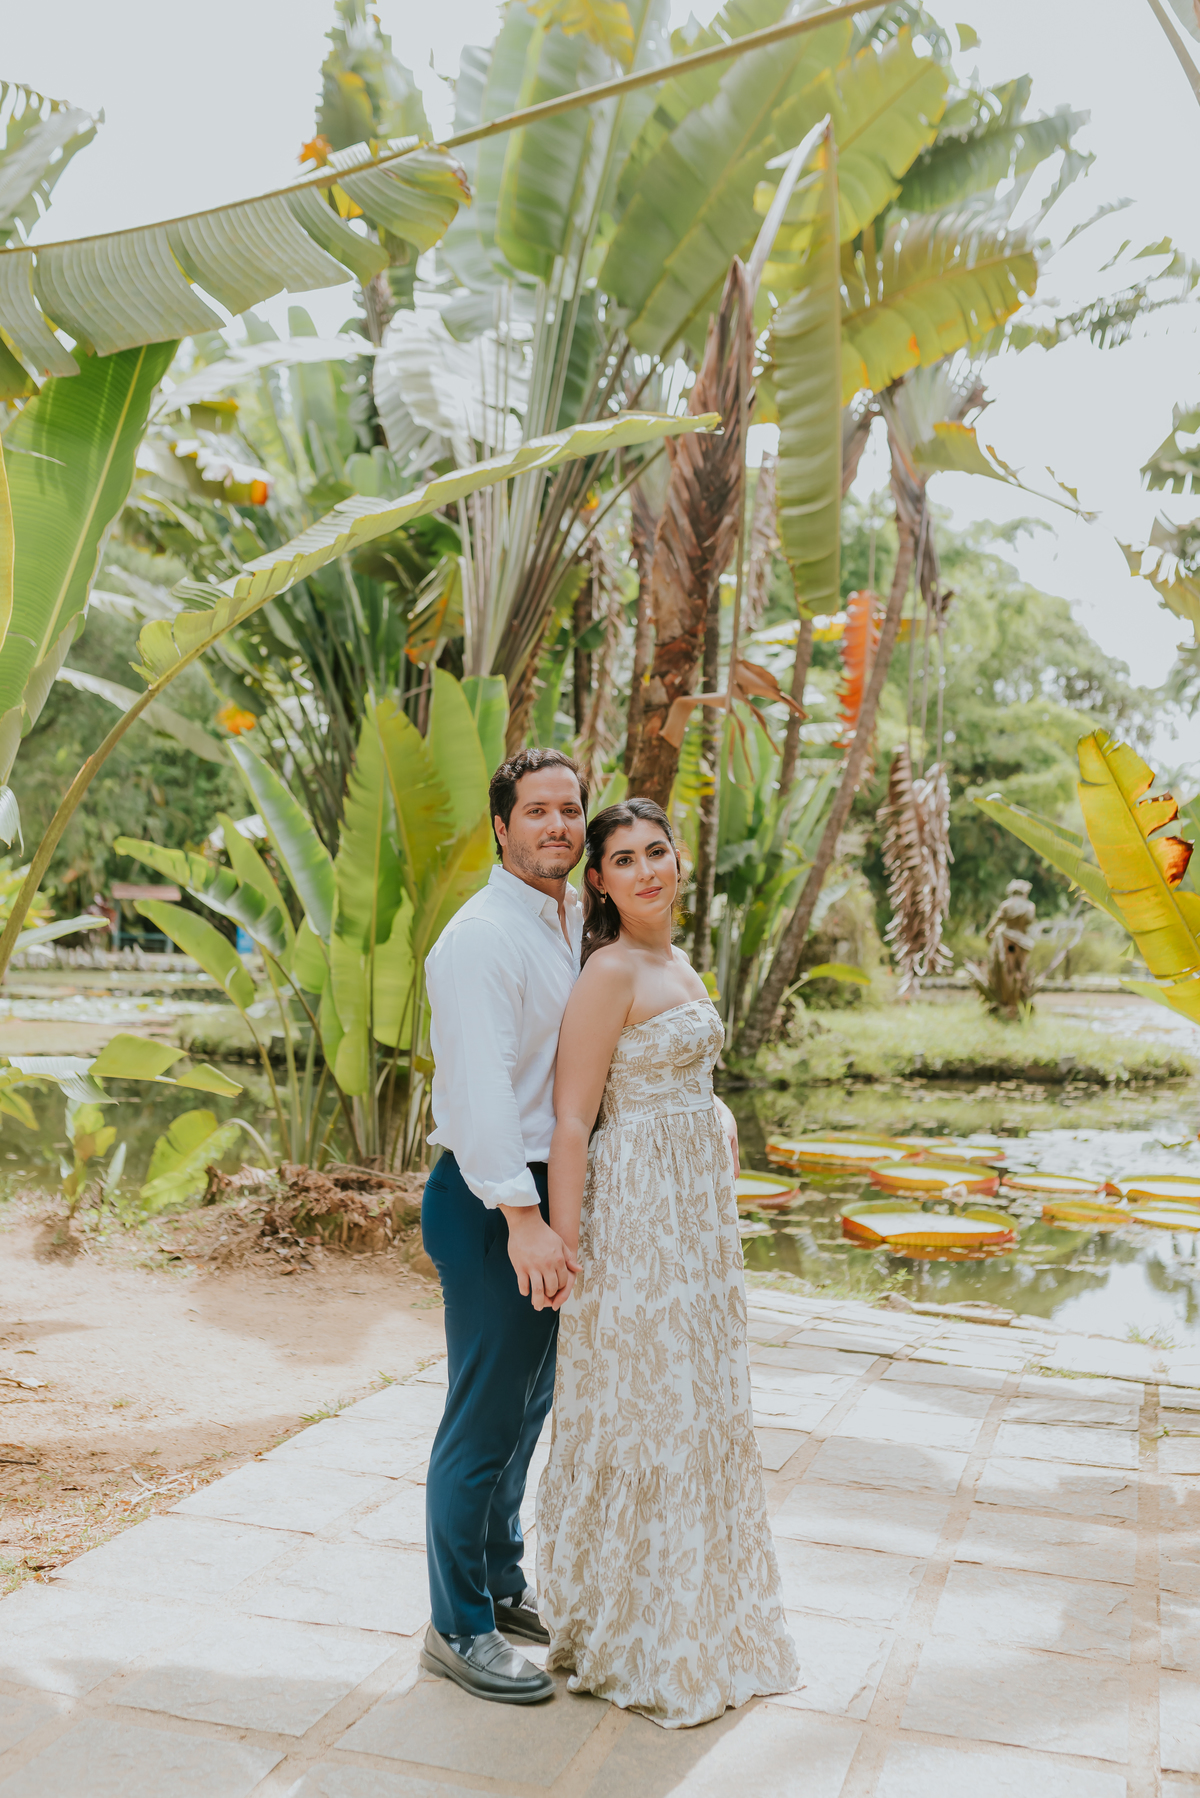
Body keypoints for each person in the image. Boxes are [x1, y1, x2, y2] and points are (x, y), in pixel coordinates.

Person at [536, 797, 799, 1728]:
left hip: (697, 1223)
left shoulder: (677, 961)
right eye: (623, 858)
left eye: (658, 851)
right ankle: (629, 1627)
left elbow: (682, 1071)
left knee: (703, 1402)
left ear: (678, 861)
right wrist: (564, 1241)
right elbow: (575, 1116)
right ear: (599, 879)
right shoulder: (608, 971)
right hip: (640, 1216)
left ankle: (708, 1622)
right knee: (649, 1405)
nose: (647, 869)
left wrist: (716, 1112)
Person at [419, 748, 588, 1706]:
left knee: (526, 1411)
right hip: (494, 1201)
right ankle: (458, 1624)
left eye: (570, 810)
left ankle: (500, 1582)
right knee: (481, 1422)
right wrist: (524, 1220)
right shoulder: (484, 935)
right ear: (501, 826)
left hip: (537, 1195)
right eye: (538, 812)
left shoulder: (557, 923)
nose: (558, 826)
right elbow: (481, 1092)